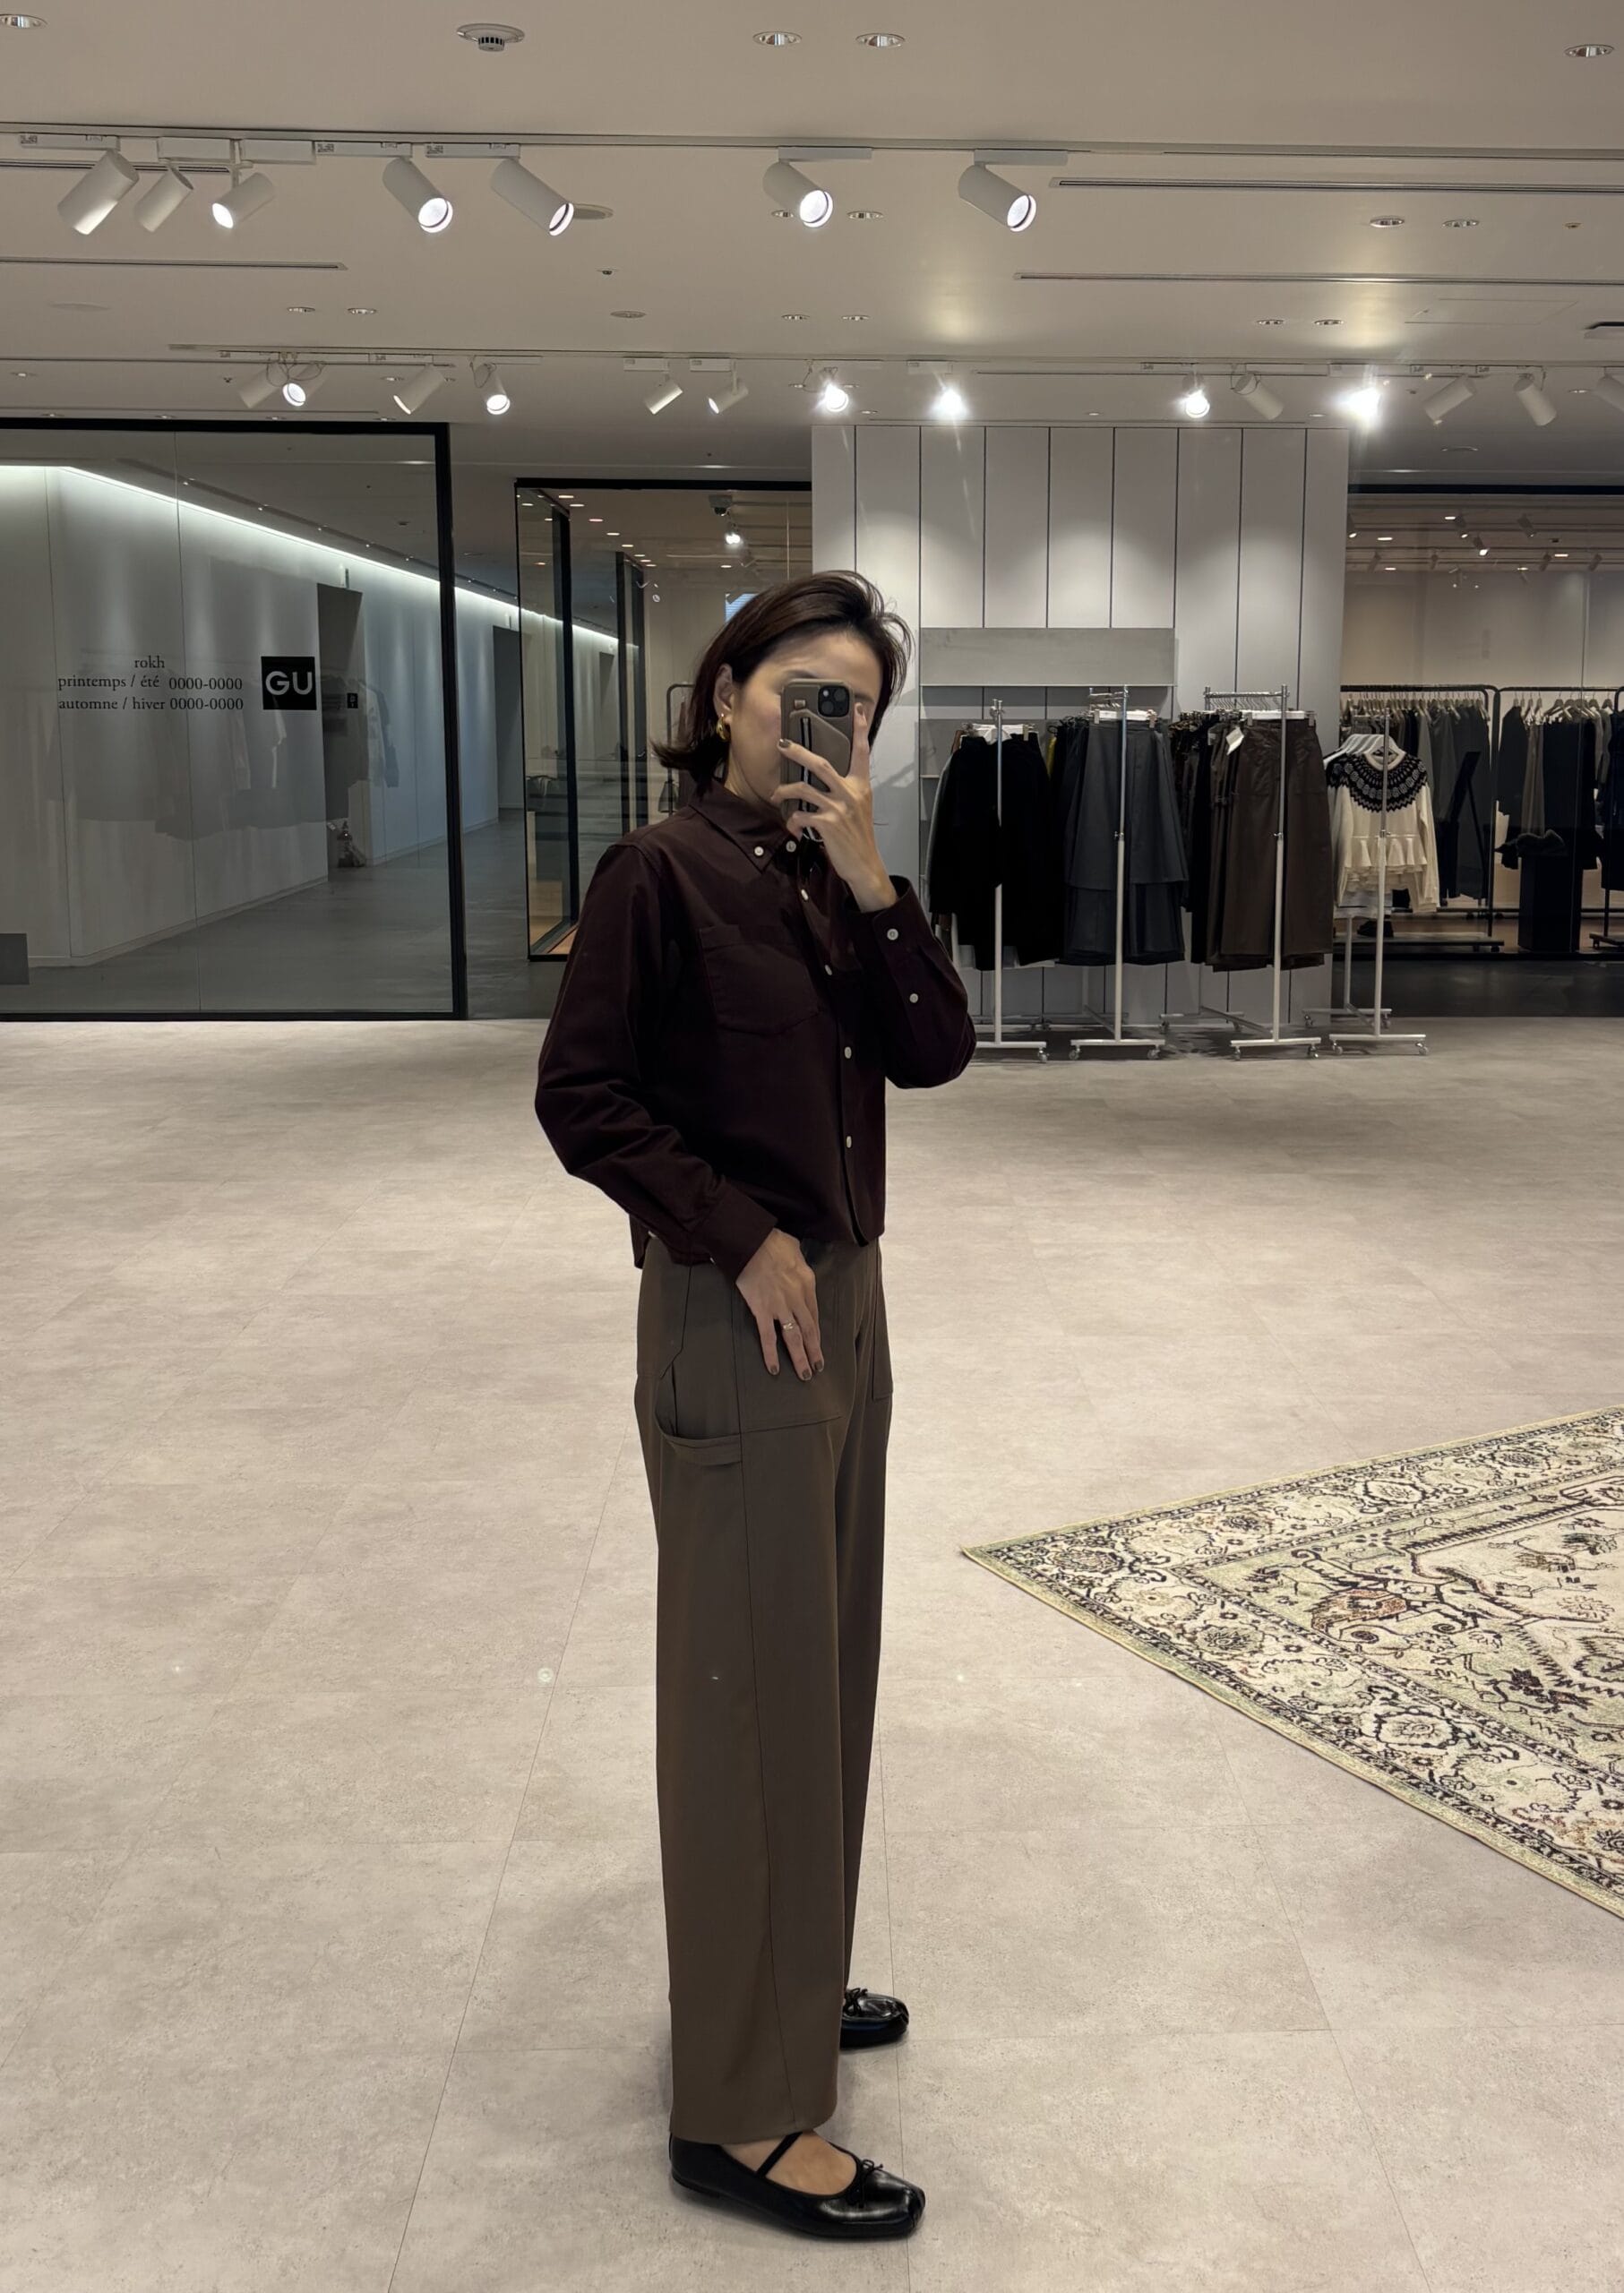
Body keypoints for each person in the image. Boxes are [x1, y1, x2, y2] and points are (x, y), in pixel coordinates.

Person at [534, 571, 975, 2241]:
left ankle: (788, 1981)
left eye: (855, 708)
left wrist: (871, 880)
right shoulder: (658, 874)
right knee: (745, 1700)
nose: (827, 726)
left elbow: (932, 1052)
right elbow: (583, 1097)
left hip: (847, 1307)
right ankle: (738, 2109)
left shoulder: (836, 882)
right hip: (741, 1315)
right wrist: (738, 1235)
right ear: (725, 695)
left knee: (824, 1671)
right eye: (803, 692)